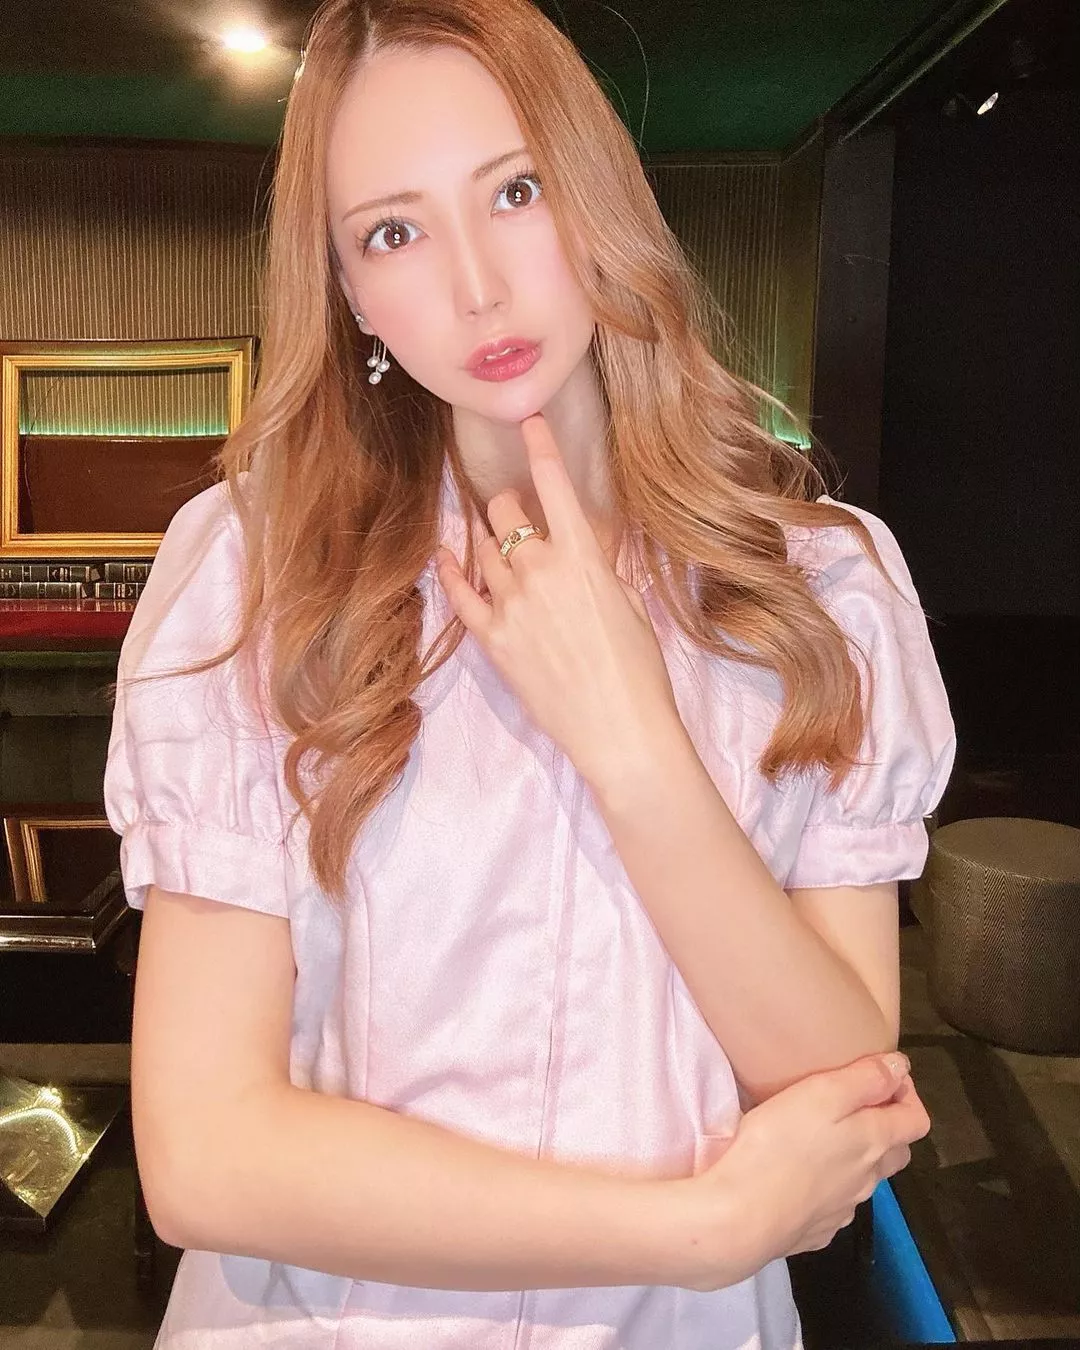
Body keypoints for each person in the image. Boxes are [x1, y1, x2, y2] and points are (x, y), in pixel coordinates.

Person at [102, 0, 955, 1345]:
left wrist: (634, 744)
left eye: (516, 191)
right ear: (348, 290)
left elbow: (850, 1091)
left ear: (600, 192)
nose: (478, 287)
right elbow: (207, 1154)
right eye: (393, 232)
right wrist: (696, 1229)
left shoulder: (823, 586)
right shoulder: (258, 570)